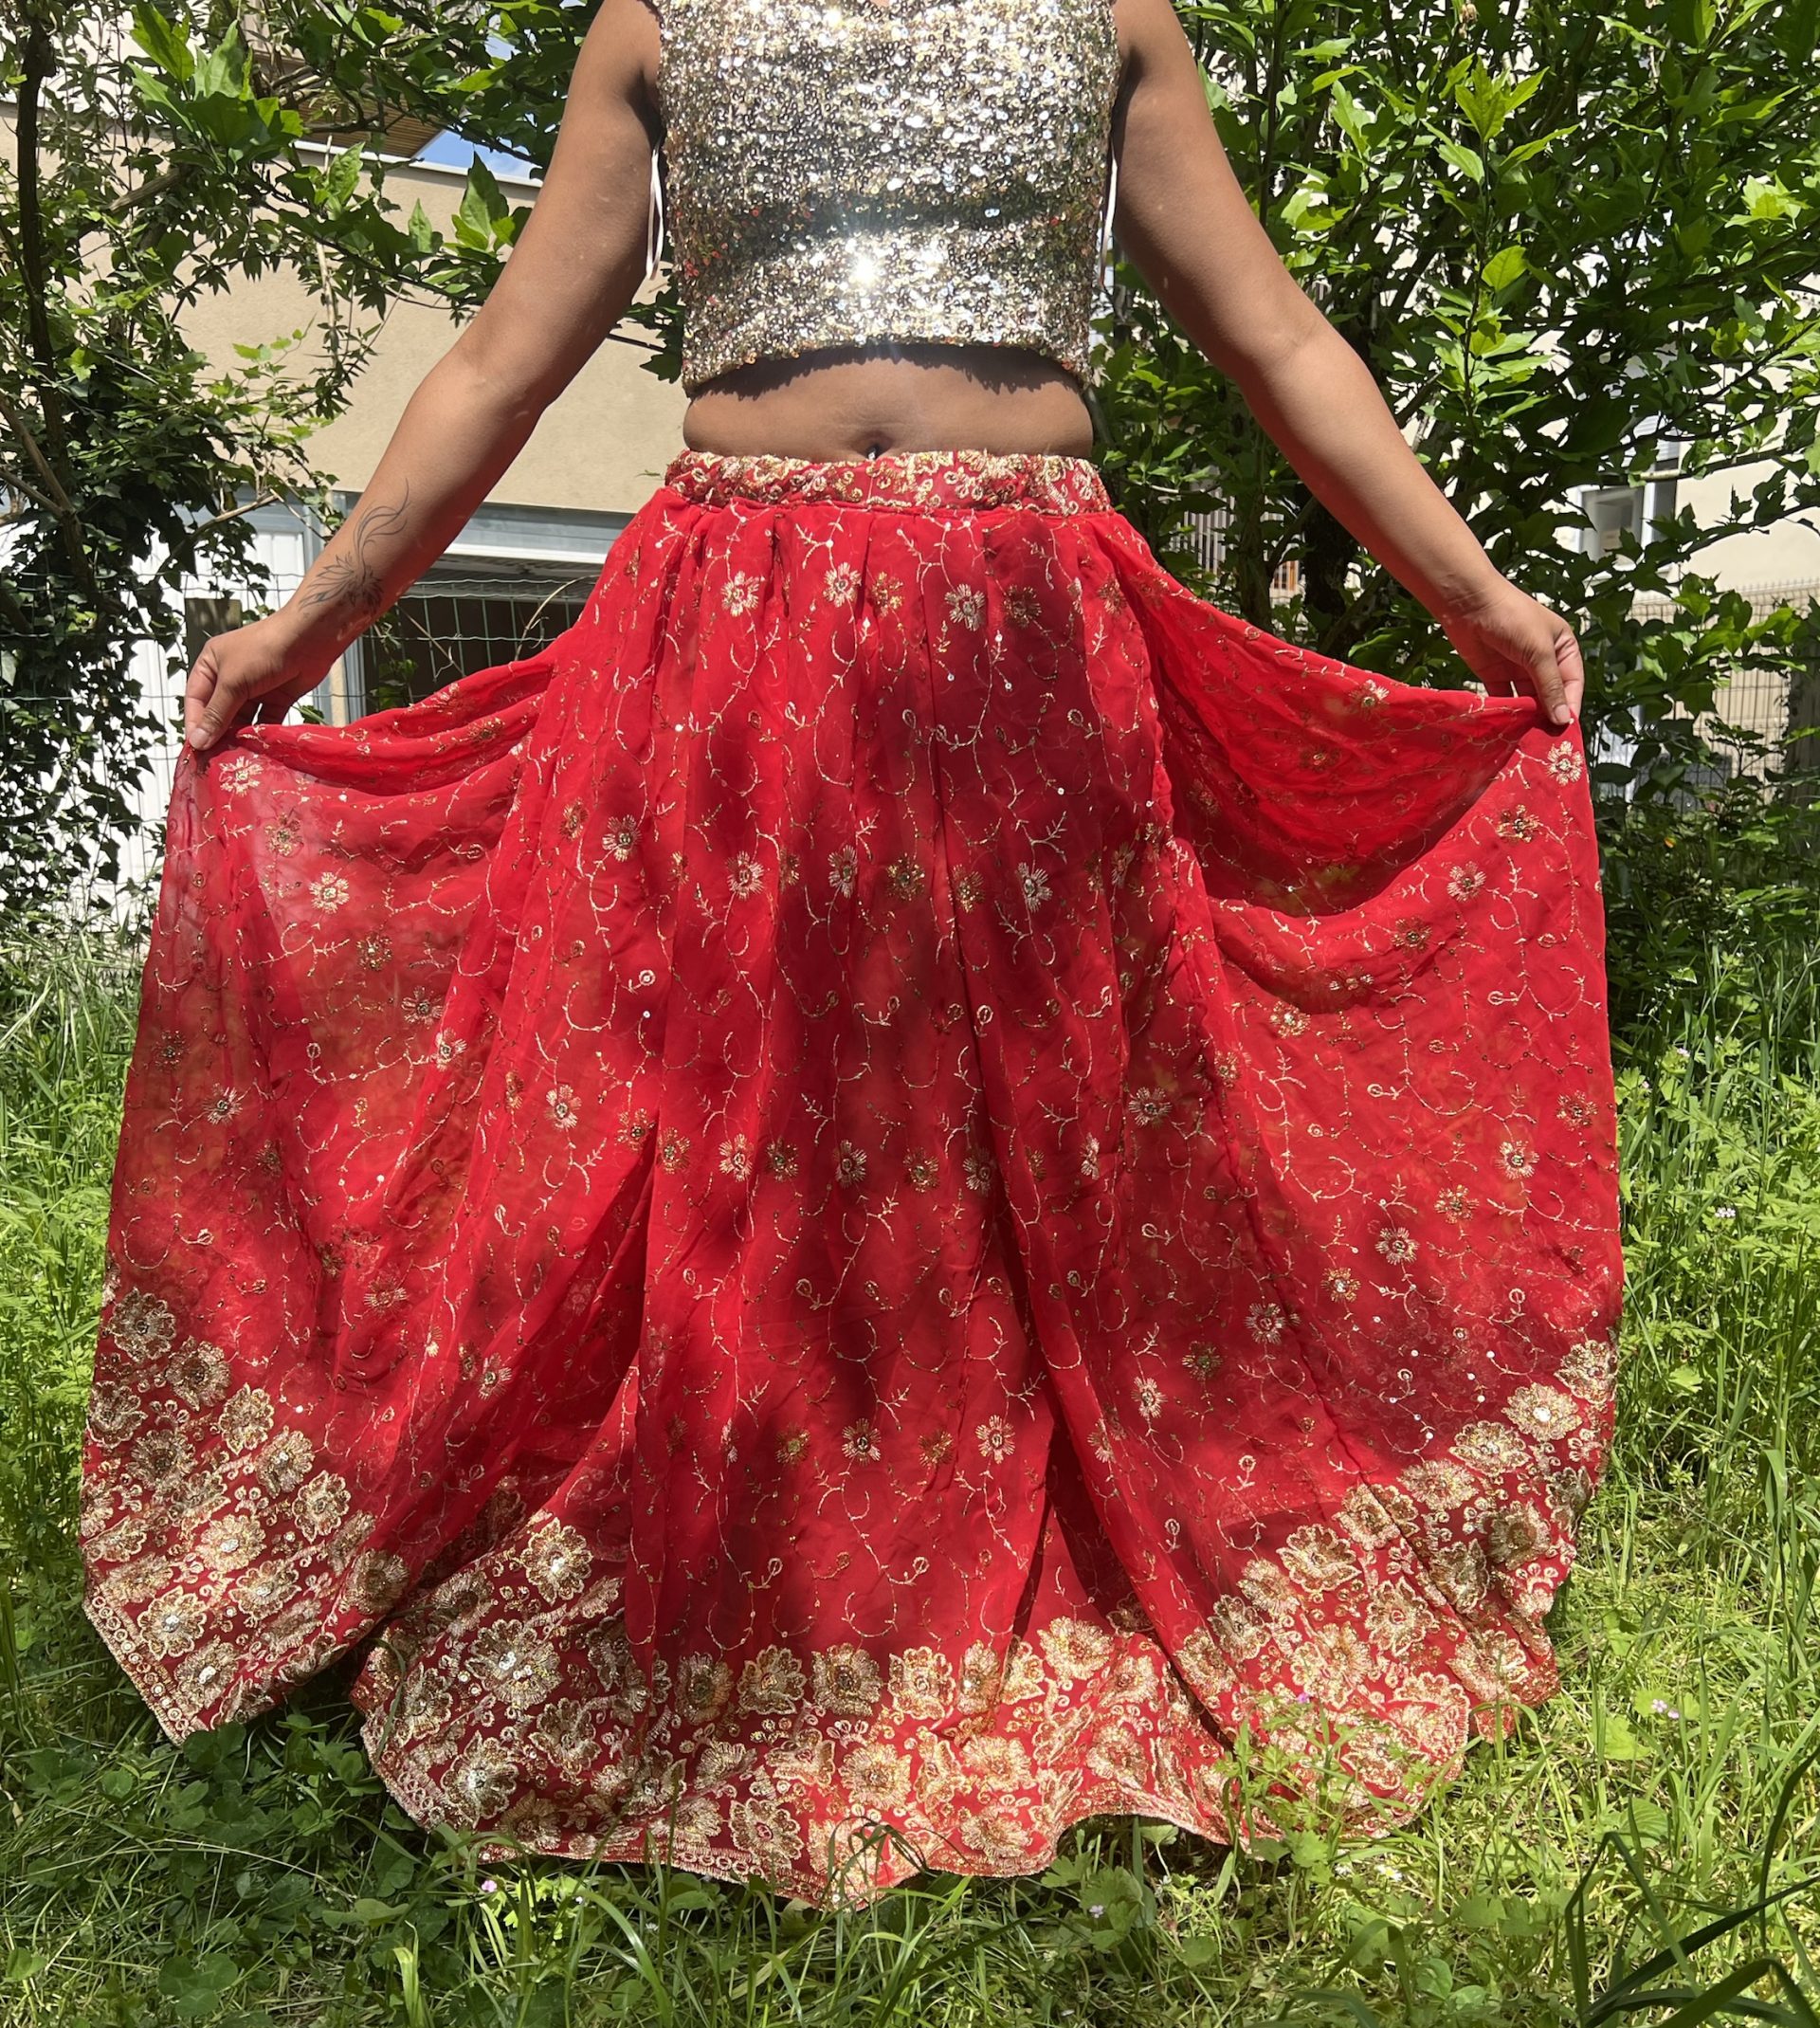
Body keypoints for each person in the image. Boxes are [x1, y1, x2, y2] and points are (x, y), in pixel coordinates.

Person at [82, 0, 1620, 1903]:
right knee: (743, 1128)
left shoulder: (1107, 18)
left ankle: (986, 1567)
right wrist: (306, 629)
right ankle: (770, 1570)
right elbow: (499, 359)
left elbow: (1277, 336)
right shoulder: (663, 20)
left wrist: (1476, 604)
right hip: (730, 638)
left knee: (1044, 1129)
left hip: (1022, 632)